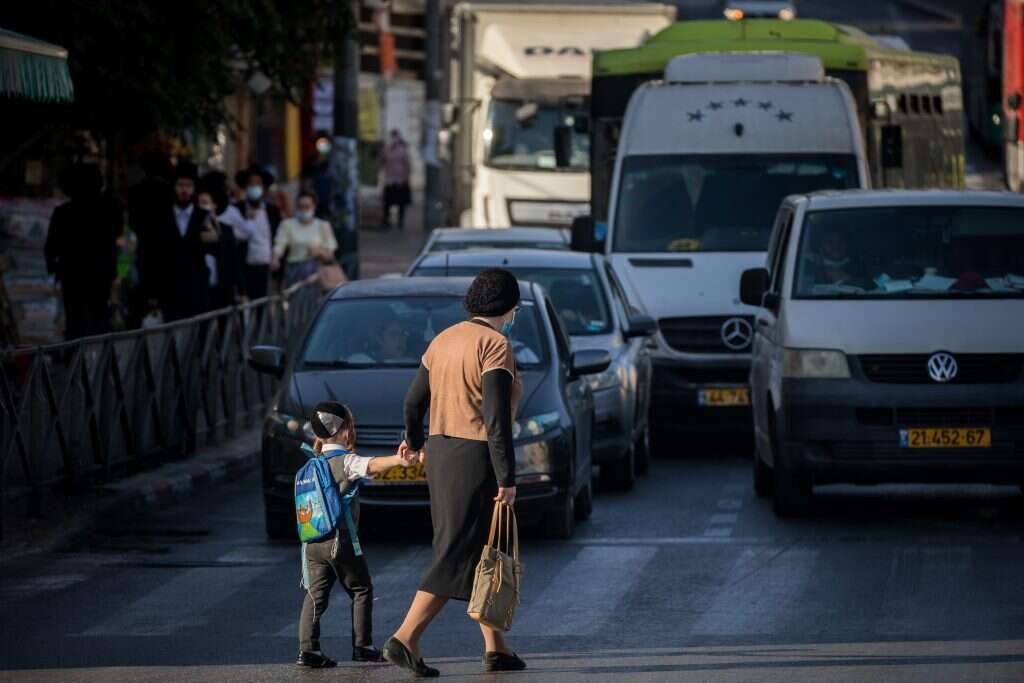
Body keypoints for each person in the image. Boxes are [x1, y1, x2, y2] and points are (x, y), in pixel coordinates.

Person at [384, 268, 526, 677]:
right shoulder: (495, 345)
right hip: (476, 455)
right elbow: (495, 419)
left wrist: (414, 442)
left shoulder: (442, 339)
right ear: (509, 306)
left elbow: (412, 404)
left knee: (482, 549)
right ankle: (405, 637)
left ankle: (496, 647)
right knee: (457, 552)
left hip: (442, 452)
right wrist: (508, 478)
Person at [296, 401, 416, 669]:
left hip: (312, 542)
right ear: (346, 431)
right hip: (340, 539)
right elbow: (370, 466)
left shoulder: (312, 464)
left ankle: (308, 650)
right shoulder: (345, 461)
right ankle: (363, 646)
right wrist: (400, 460)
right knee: (361, 588)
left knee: (316, 595)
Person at [44, 163, 121, 340]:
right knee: (98, 318)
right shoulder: (108, 210)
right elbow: (116, 236)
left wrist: (55, 268)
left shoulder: (62, 212)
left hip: (72, 276)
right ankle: (97, 361)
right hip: (99, 275)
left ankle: (75, 361)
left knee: (75, 320)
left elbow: (50, 247)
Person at [150, 161, 220, 321]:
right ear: (174, 187)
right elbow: (154, 254)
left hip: (196, 292)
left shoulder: (204, 216)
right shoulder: (162, 216)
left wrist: (211, 238)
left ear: (194, 188)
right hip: (169, 290)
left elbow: (216, 248)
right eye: (180, 185)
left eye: (188, 185)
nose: (184, 190)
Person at [234, 164, 282, 300]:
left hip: (267, 267)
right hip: (244, 268)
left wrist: (276, 257)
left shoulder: (273, 211)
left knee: (265, 305)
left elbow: (278, 237)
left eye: (258, 183)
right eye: (251, 183)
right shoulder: (237, 209)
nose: (254, 187)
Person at [272, 192, 338, 288]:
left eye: (307, 206)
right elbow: (279, 245)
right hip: (294, 272)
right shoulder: (287, 224)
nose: (303, 210)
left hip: (317, 274)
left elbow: (330, 254)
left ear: (314, 207)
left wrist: (319, 252)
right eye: (300, 206)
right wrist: (275, 258)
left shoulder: (323, 226)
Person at [196, 175, 243, 309]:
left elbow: (234, 261)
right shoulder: (191, 231)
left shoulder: (225, 230)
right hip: (200, 291)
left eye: (205, 203)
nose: (202, 207)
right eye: (199, 203)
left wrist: (241, 290)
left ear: (214, 205)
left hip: (222, 290)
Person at [380, 130, 412, 231]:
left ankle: (398, 222)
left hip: (398, 180)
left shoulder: (401, 149)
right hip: (391, 180)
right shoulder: (388, 149)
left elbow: (407, 165)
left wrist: (406, 178)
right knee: (388, 203)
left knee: (398, 203)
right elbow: (382, 162)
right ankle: (388, 221)